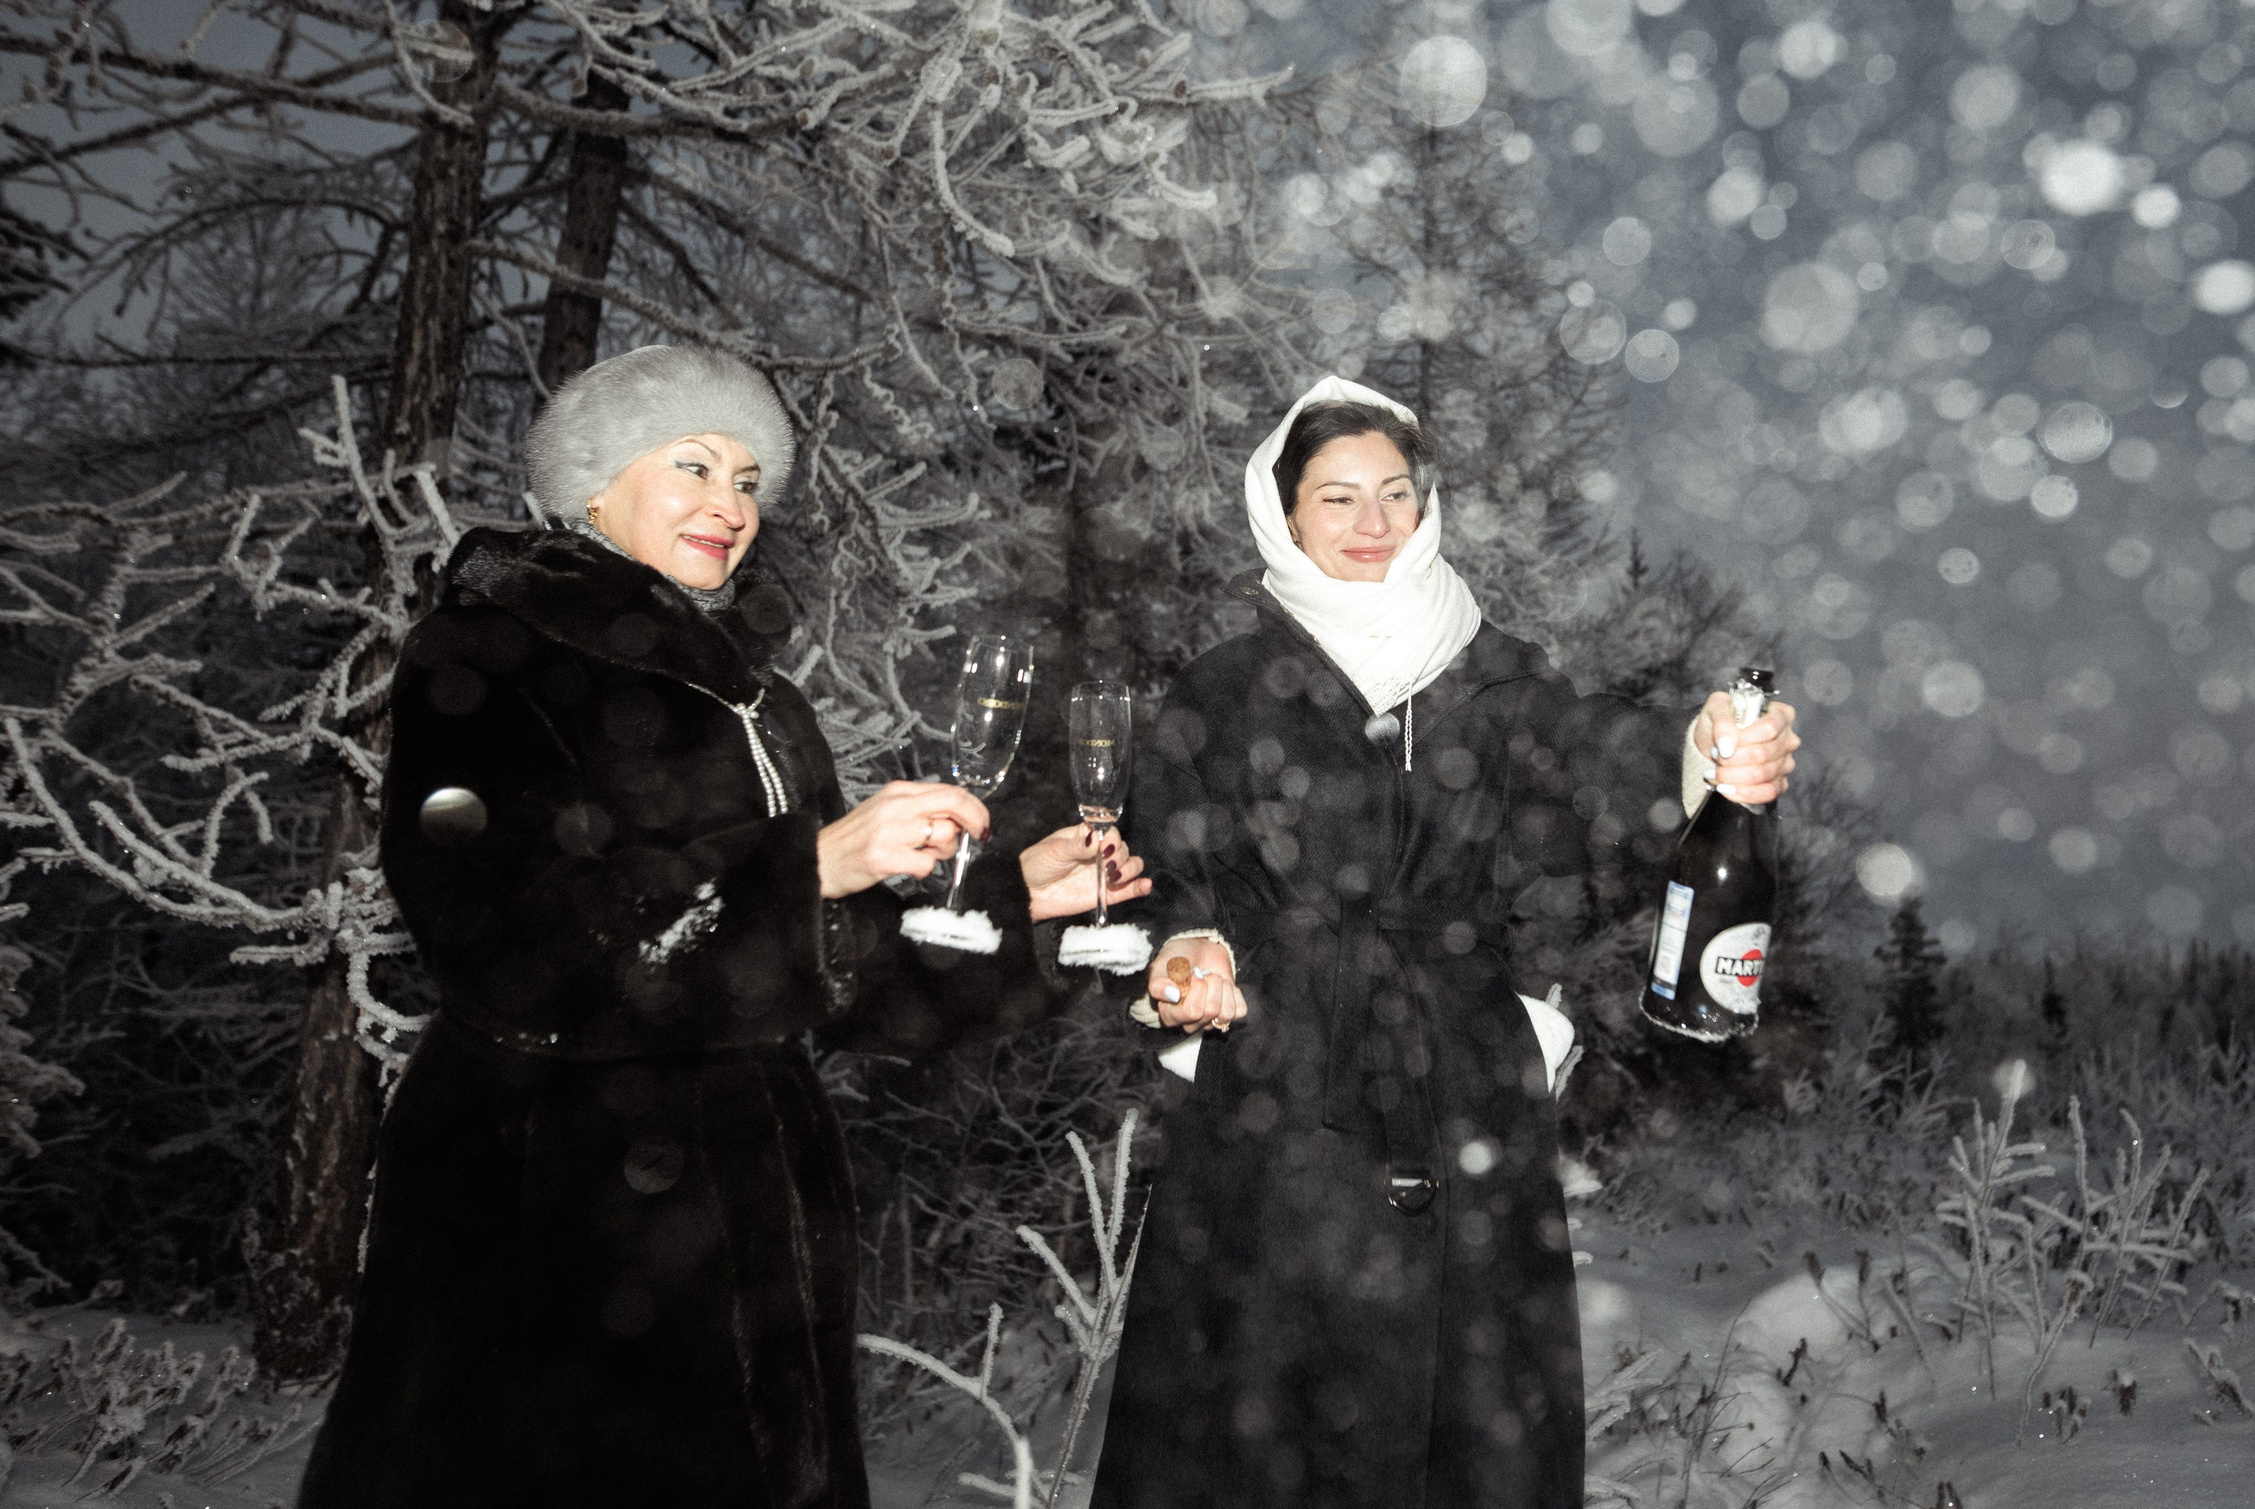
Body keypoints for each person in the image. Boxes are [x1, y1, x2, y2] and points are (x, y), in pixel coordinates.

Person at [298, 344, 1146, 1509]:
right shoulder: (492, 649)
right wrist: (810, 859)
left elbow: (841, 979)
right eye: (692, 463)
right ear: (594, 483)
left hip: (747, 1214)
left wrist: (1021, 906)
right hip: (551, 1206)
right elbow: (502, 938)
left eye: (750, 478)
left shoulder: (758, 700)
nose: (729, 504)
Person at [1088, 377, 1799, 1509]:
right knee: (1257, 1418)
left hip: (1465, 1086)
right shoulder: (1218, 692)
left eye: (1396, 494)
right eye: (1338, 497)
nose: (1375, 524)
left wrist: (1707, 757)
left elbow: (1611, 793)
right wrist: (1186, 952)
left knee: (1468, 1427)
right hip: (1276, 1087)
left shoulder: (1500, 680)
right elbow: (1159, 877)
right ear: (1283, 514)